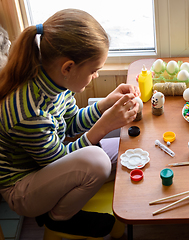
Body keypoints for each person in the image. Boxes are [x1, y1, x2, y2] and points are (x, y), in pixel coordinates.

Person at [0, 9, 140, 237]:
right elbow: (57, 161)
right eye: (94, 71)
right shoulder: (29, 113)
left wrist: (105, 104)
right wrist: (104, 126)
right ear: (68, 67)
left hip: (49, 165)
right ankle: (59, 218)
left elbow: (72, 123)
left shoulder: (56, 83)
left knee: (131, 152)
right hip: (24, 188)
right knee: (98, 161)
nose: (95, 76)